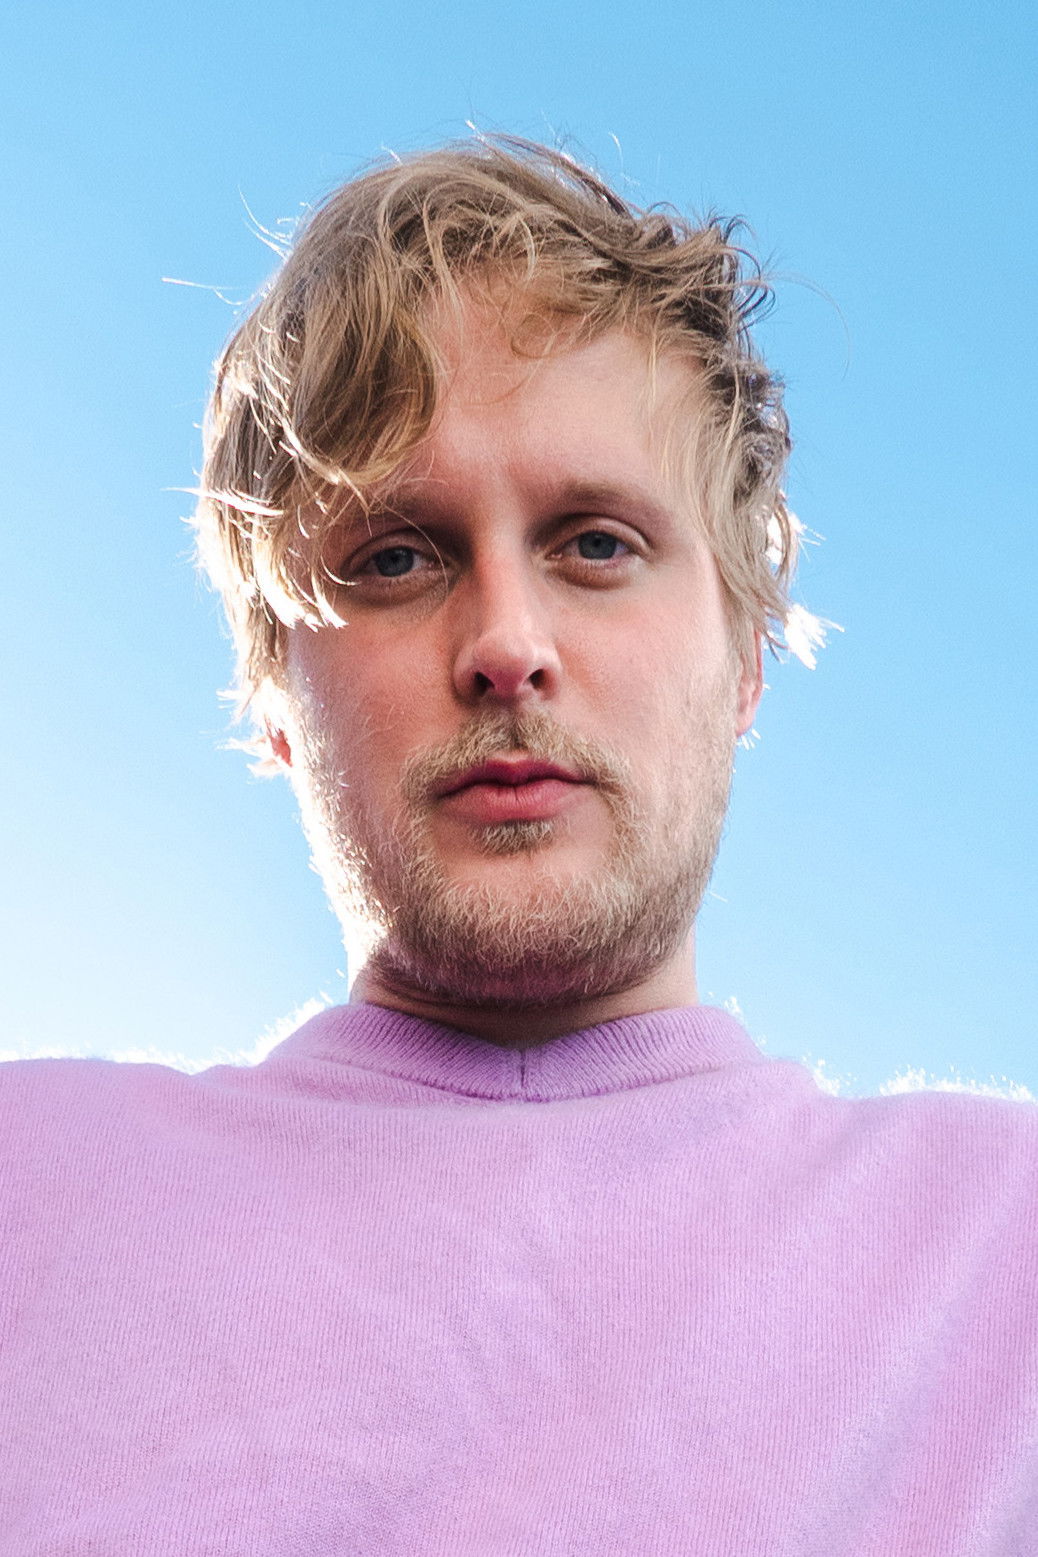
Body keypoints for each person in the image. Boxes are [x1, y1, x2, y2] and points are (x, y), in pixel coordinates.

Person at [2, 136, 1036, 1555]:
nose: (505, 643)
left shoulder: (1004, 1250)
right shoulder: (28, 1192)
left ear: (743, 659)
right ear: (275, 695)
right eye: (395, 557)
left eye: (595, 544)